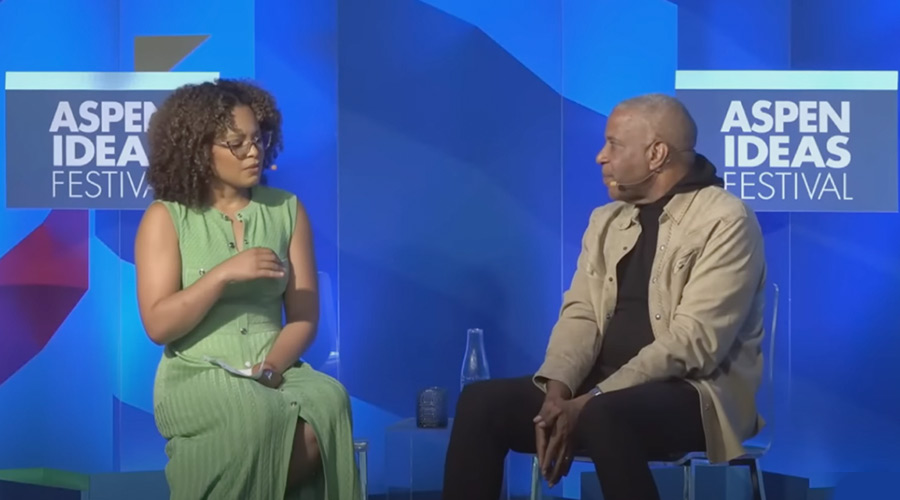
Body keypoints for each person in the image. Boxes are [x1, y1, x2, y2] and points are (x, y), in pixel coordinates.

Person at [442, 93, 767, 500]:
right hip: (593, 395)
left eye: (614, 144)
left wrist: (593, 398)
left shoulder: (725, 219)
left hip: (694, 394)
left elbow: (694, 341)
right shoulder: (606, 221)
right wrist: (559, 394)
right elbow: (581, 315)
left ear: (657, 154)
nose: (600, 156)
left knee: (604, 415)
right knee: (480, 403)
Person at [134, 79, 361, 500]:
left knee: (330, 402)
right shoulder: (166, 217)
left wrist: (272, 368)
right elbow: (159, 324)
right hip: (197, 370)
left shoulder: (286, 210)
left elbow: (305, 315)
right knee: (251, 415)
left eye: (258, 139)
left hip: (275, 362)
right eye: (236, 143)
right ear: (200, 149)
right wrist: (222, 275)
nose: (253, 151)